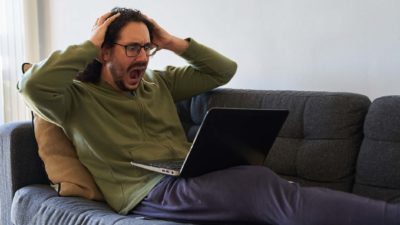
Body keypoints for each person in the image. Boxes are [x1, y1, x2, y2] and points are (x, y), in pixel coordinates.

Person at [18, 7, 399, 225]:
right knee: (262, 187)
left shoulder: (157, 83)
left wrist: (168, 41)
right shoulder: (74, 98)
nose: (143, 58)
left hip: (191, 173)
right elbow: (31, 87)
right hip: (147, 191)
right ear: (104, 51)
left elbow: (222, 70)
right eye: (131, 48)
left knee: (262, 182)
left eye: (147, 49)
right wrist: (92, 41)